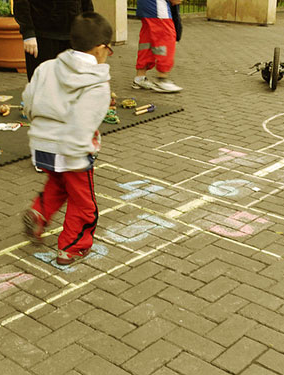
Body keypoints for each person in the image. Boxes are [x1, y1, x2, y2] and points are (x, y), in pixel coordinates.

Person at [21, 12, 113, 265]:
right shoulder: (96, 81)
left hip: (42, 145)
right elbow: (85, 122)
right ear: (101, 49)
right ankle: (72, 247)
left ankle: (38, 214)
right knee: (84, 204)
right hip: (72, 150)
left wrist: (41, 127)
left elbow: (28, 100)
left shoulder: (47, 67)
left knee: (58, 185)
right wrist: (85, 152)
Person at [13, 0, 94, 82]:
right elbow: (21, 2)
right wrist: (28, 33)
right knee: (42, 84)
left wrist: (88, 29)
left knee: (73, 85)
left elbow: (86, 3)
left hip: (73, 35)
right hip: (42, 37)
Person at [132, 0, 183, 93]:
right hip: (157, 4)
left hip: (146, 4)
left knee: (147, 39)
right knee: (166, 37)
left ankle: (140, 77)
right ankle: (162, 79)